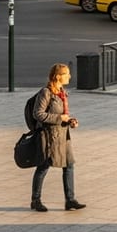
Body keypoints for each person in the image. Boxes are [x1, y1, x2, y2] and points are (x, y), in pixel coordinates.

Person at [30, 63, 85, 212]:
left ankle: (70, 200)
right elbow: (38, 114)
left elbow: (63, 115)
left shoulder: (62, 92)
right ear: (58, 76)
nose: (70, 76)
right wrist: (60, 118)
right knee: (43, 166)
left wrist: (70, 120)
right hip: (50, 136)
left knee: (69, 165)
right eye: (66, 74)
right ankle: (36, 200)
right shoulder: (46, 92)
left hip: (63, 135)